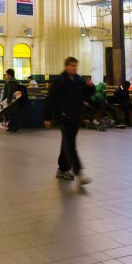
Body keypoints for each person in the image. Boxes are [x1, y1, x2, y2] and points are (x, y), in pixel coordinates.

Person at [43, 57, 95, 185]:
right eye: (71, 66)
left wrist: (90, 86)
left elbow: (87, 94)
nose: (74, 68)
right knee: (71, 145)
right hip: (64, 117)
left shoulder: (78, 79)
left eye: (75, 66)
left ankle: (62, 169)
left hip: (75, 116)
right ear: (66, 66)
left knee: (67, 143)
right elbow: (51, 99)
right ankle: (79, 173)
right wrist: (47, 117)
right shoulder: (59, 81)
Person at [1, 68, 27, 132]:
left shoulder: (12, 82)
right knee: (10, 113)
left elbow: (10, 92)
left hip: (11, 101)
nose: (5, 75)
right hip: (11, 100)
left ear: (9, 75)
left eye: (6, 74)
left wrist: (8, 100)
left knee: (12, 113)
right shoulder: (11, 81)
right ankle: (11, 126)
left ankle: (15, 127)